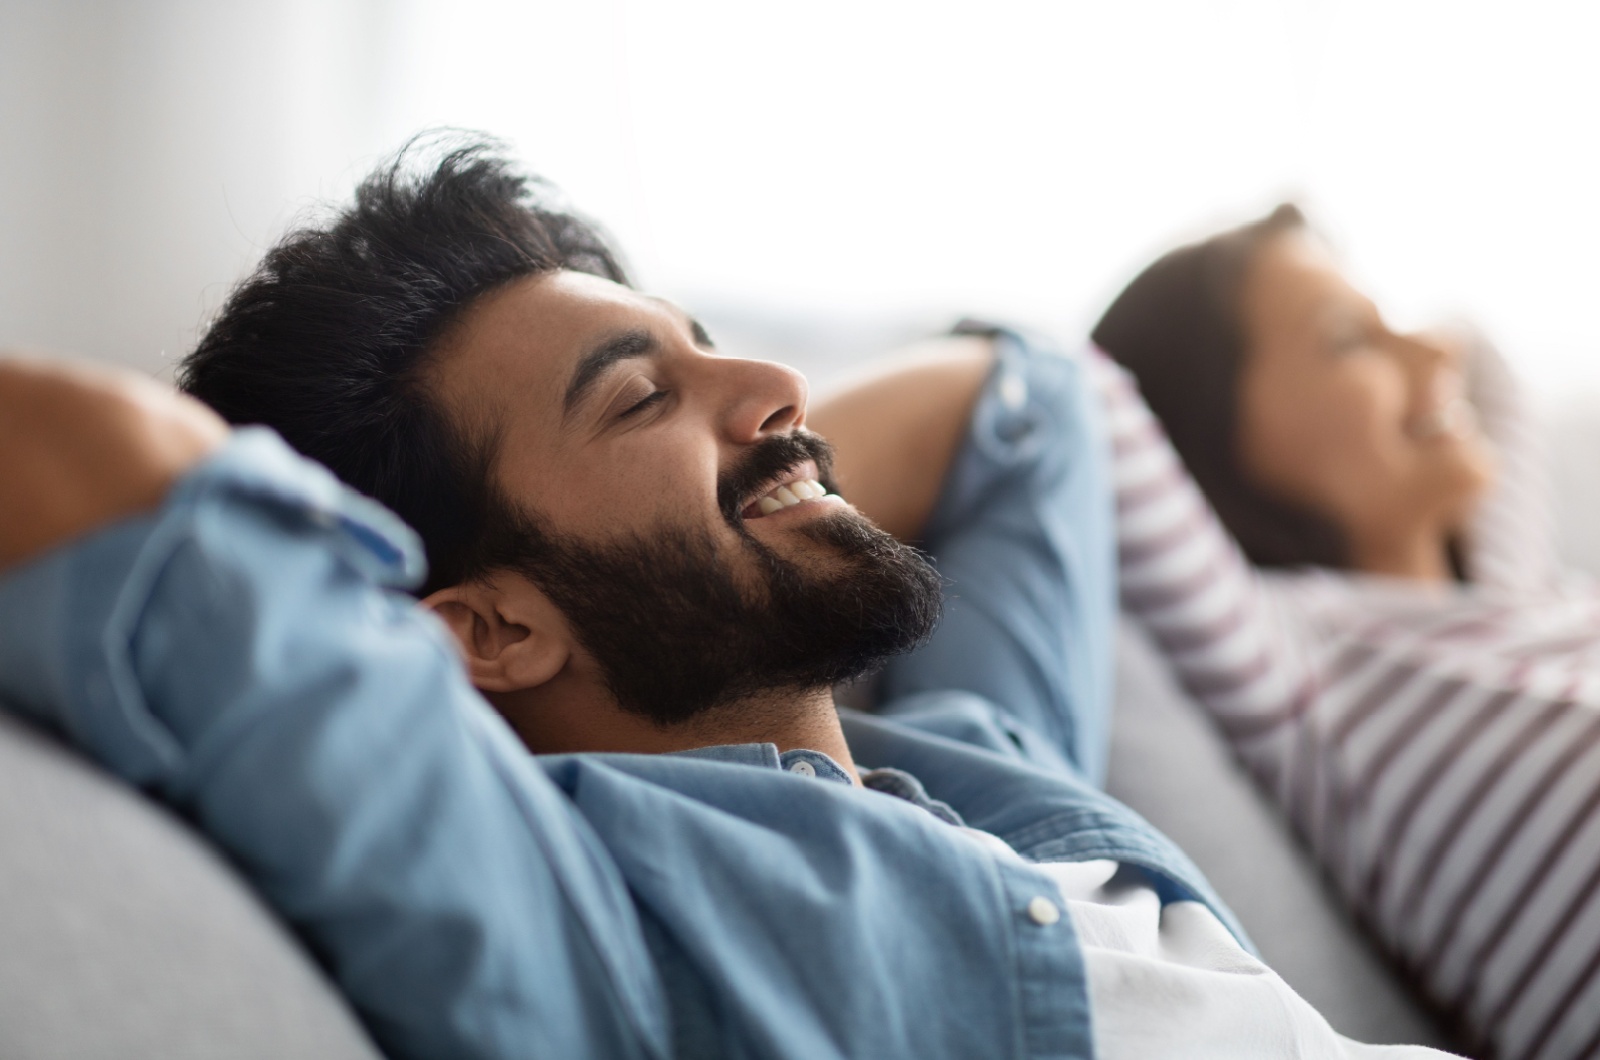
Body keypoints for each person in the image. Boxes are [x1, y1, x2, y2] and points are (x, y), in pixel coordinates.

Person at [0, 138, 1460, 1059]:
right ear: (489, 629)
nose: (776, 387)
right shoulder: (596, 907)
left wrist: (746, 476)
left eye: (714, 346)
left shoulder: (985, 776)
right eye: (642, 396)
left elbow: (1037, 409)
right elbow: (101, 473)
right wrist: (737, 496)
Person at [1089, 205, 1600, 1060]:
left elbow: (1483, 352)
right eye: (1346, 341)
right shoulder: (1298, 663)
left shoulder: (1516, 585)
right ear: (1211, 440)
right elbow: (1077, 394)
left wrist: (1349, 309)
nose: (1435, 354)